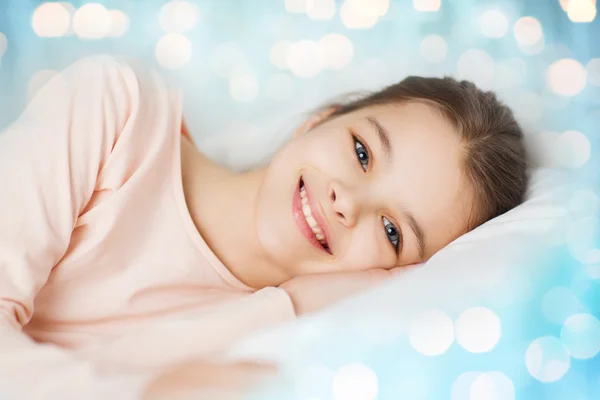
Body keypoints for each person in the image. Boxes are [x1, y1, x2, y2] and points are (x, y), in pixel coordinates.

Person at [0, 55, 528, 399]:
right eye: (362, 152)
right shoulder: (121, 112)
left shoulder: (282, 339)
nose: (349, 203)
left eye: (392, 232)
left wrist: (288, 306)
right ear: (320, 119)